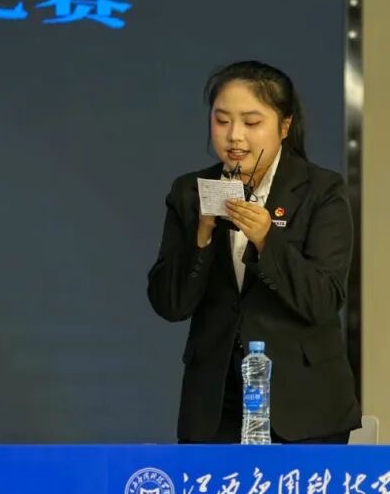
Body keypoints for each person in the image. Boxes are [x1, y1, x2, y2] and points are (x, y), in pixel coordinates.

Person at [147, 60, 360, 444]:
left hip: (304, 405)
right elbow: (169, 304)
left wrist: (266, 241)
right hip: (215, 406)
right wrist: (202, 236)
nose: (235, 136)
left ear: (285, 126)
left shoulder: (321, 190)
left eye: (251, 122)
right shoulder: (190, 191)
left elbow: (324, 300)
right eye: (222, 120)